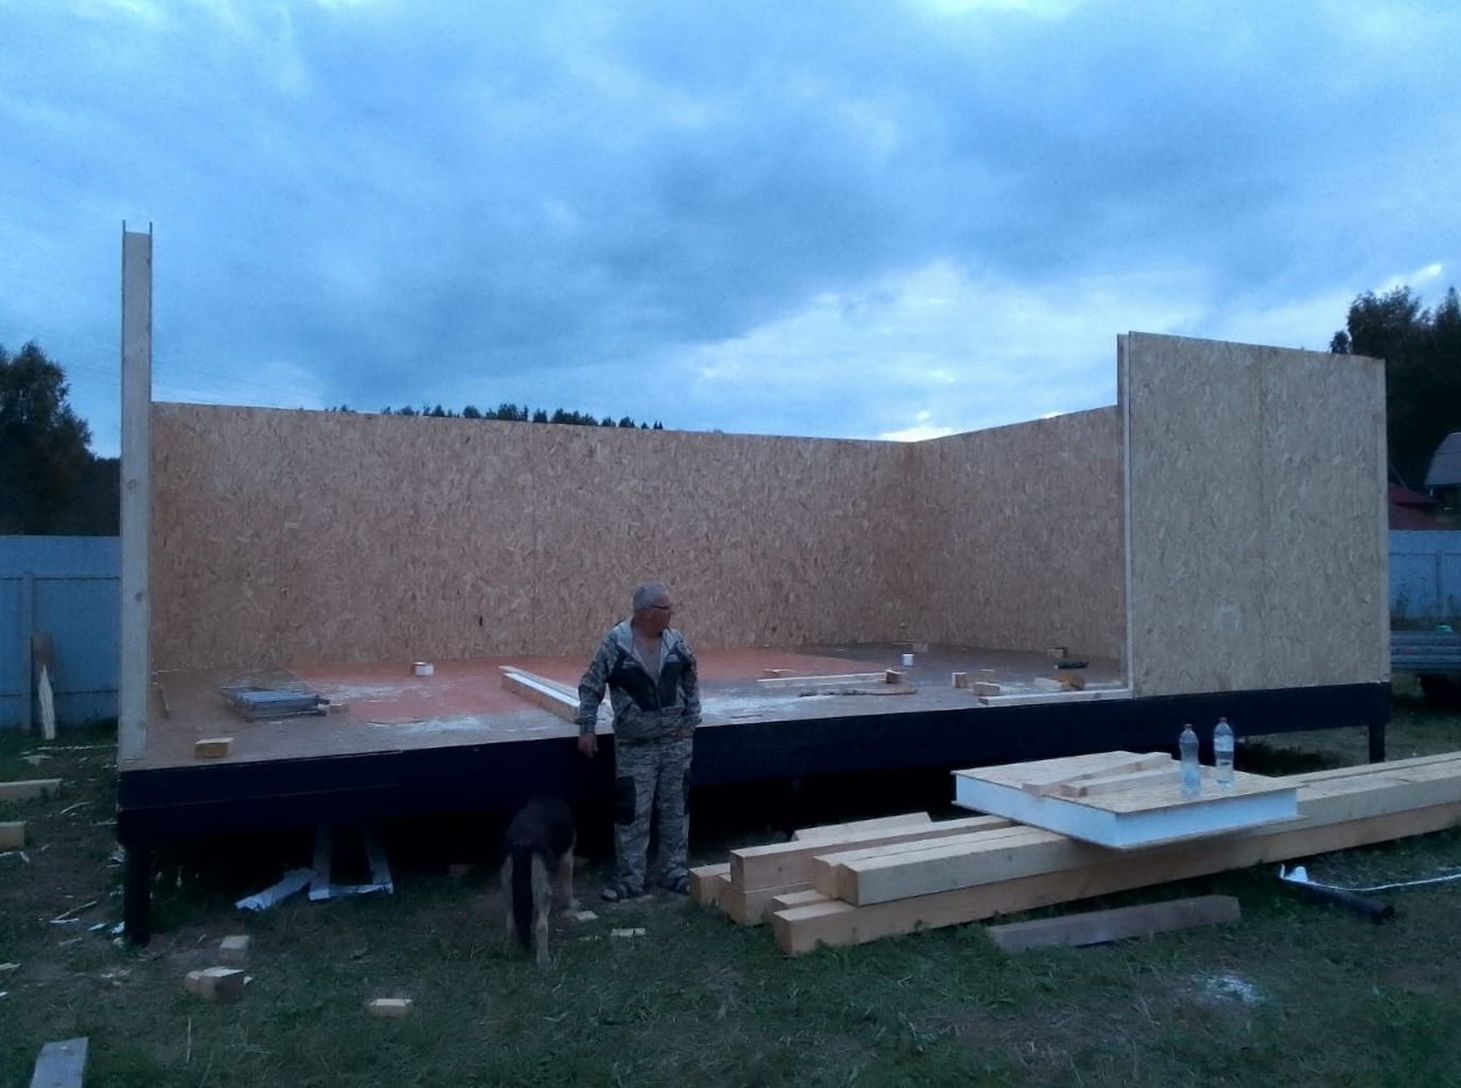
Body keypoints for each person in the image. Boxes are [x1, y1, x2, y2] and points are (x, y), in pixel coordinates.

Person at [576, 582, 701, 899]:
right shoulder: (615, 645)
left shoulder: (676, 643)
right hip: (635, 747)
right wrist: (587, 728)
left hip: (675, 743)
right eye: (666, 608)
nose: (672, 613)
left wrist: (691, 720)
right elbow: (590, 686)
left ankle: (674, 873)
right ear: (647, 613)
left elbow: (691, 677)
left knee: (676, 810)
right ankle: (630, 880)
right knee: (631, 813)